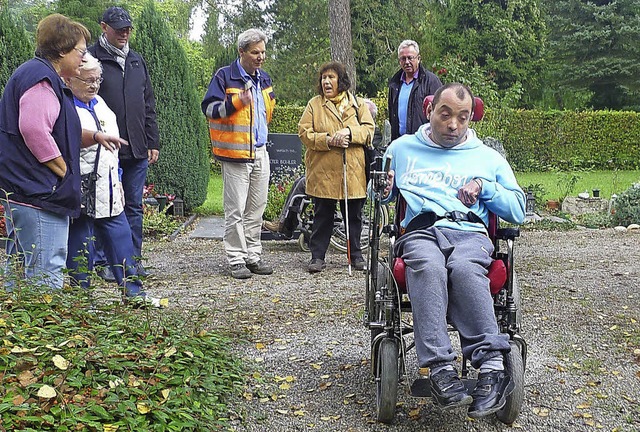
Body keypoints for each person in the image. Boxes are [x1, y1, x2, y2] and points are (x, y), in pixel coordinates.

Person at [382, 83, 525, 417]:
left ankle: (491, 367)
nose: (453, 125)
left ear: (470, 118)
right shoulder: (402, 149)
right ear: (429, 110)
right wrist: (385, 189)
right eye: (445, 115)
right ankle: (441, 371)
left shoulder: (488, 158)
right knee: (428, 267)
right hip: (421, 232)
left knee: (463, 269)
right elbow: (384, 196)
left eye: (462, 118)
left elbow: (517, 209)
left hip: (470, 233)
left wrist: (484, 187)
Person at [0, 14, 123, 291]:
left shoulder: (39, 75)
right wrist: (62, 170)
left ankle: (18, 329)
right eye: (80, 52)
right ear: (61, 50)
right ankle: (41, 331)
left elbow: (54, 128)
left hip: (25, 191)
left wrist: (94, 136)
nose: (83, 58)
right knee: (46, 269)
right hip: (40, 194)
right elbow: (33, 130)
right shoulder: (42, 80)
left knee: (21, 269)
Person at [64, 53, 161, 307]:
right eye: (87, 80)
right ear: (71, 79)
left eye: (97, 80)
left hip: (108, 187)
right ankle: (81, 300)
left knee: (121, 239)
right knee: (81, 243)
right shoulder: (65, 106)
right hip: (82, 189)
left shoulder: (101, 105)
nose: (94, 85)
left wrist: (117, 178)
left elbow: (114, 149)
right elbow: (71, 137)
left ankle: (134, 294)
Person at [88, 6, 160, 280]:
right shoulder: (92, 58)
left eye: (128, 29)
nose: (124, 33)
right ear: (104, 27)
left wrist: (152, 141)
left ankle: (132, 261)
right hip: (105, 147)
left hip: (137, 148)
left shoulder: (136, 61)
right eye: (119, 29)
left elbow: (148, 104)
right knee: (104, 205)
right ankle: (105, 262)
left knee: (132, 206)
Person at [201, 29, 276, 280]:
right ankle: (236, 258)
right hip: (235, 155)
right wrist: (235, 103)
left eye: (263, 52)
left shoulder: (264, 79)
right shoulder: (225, 76)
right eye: (255, 52)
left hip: (260, 152)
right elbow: (209, 109)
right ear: (241, 52)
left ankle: (253, 255)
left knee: (256, 209)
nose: (260, 57)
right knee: (235, 210)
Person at [263, 98, 383, 236]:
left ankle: (287, 225)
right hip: (333, 169)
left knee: (304, 183)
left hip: (352, 176)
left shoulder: (372, 133)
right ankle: (285, 223)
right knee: (301, 181)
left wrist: (347, 135)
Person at [299, 61, 375, 273]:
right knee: (323, 214)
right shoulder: (314, 105)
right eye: (323, 78)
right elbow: (304, 133)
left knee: (354, 215)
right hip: (323, 171)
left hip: (352, 170)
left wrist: (350, 133)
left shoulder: (358, 104)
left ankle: (356, 255)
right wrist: (329, 140)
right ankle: (317, 257)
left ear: (341, 81)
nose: (326, 82)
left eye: (331, 77)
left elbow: (369, 130)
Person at [388, 40, 442, 141]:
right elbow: (392, 115)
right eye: (403, 59)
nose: (407, 62)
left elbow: (440, 113)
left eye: (410, 58)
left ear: (418, 58)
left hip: (424, 142)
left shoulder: (431, 81)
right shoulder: (395, 83)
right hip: (400, 142)